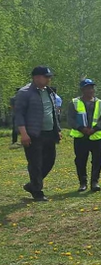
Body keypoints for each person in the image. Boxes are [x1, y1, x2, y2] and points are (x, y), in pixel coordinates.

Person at [14, 66, 61, 202]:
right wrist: (23, 134)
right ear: (36, 77)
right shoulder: (24, 93)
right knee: (35, 163)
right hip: (33, 133)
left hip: (49, 133)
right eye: (46, 77)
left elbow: (52, 112)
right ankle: (38, 191)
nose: (49, 79)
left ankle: (32, 185)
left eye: (49, 77)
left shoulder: (49, 92)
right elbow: (19, 115)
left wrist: (57, 130)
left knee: (50, 160)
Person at [65, 78, 101, 192]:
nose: (91, 90)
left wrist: (95, 128)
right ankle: (82, 183)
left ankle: (95, 182)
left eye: (92, 88)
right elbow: (70, 119)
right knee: (80, 160)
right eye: (88, 88)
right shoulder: (74, 103)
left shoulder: (100, 103)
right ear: (82, 89)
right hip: (80, 137)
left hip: (95, 137)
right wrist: (81, 128)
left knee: (98, 160)